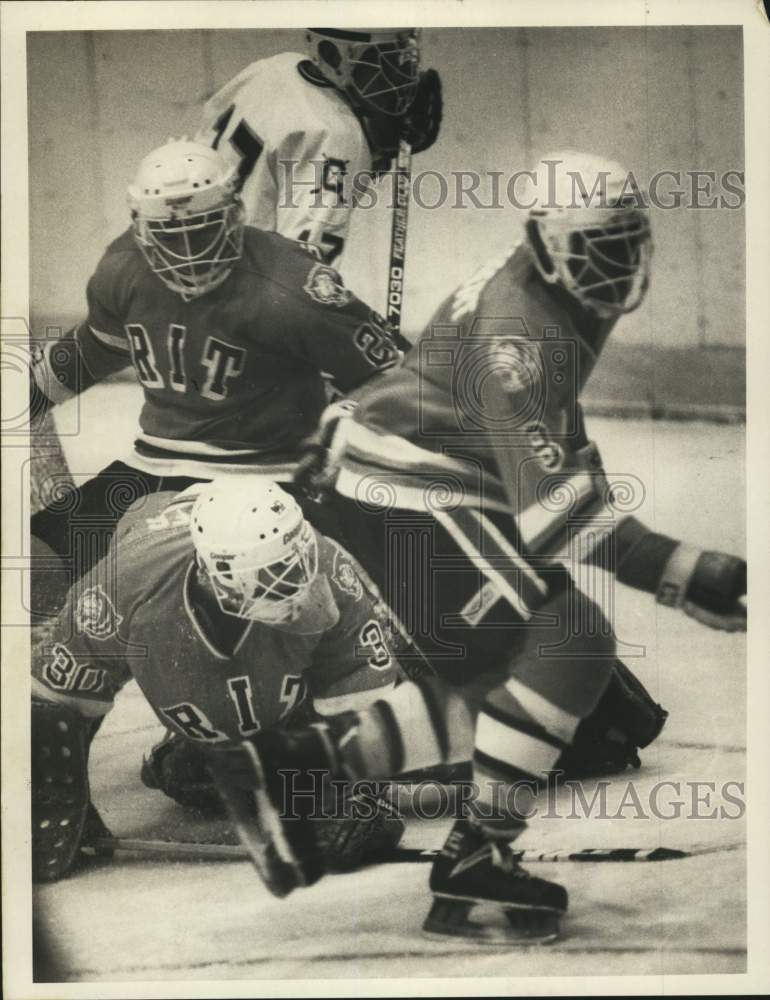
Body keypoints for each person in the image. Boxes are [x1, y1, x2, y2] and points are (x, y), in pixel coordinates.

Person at [204, 152, 746, 942]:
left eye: (627, 240)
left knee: (522, 673)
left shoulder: (555, 288)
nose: (615, 262)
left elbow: (556, 443)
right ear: (545, 242)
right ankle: (441, 843)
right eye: (596, 244)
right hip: (404, 482)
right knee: (567, 645)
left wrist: (665, 564)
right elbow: (560, 523)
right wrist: (684, 572)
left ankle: (305, 769)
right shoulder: (516, 335)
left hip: (413, 474)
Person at [29, 138, 402, 605]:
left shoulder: (292, 284)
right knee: (31, 565)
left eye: (201, 230)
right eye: (169, 234)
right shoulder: (120, 267)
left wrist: (345, 430)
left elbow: (396, 381)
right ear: (140, 228)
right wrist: (23, 394)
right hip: (154, 464)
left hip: (272, 474)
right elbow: (95, 350)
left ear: (233, 213)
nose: (187, 252)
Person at [30, 478, 409, 883]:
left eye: (299, 559)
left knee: (377, 778)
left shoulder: (329, 564)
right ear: (220, 578)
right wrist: (54, 797)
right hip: (157, 570)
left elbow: (358, 685)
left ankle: (215, 751)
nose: (302, 585)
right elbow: (54, 701)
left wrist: (354, 789)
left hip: (288, 693)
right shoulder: (120, 589)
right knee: (194, 771)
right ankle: (186, 750)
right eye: (275, 574)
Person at [196, 28, 442, 264]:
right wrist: (366, 149)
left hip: (187, 250)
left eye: (403, 60)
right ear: (333, 56)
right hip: (241, 285)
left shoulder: (275, 67)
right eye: (386, 62)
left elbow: (200, 145)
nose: (403, 78)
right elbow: (304, 273)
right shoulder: (337, 139)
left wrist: (375, 146)